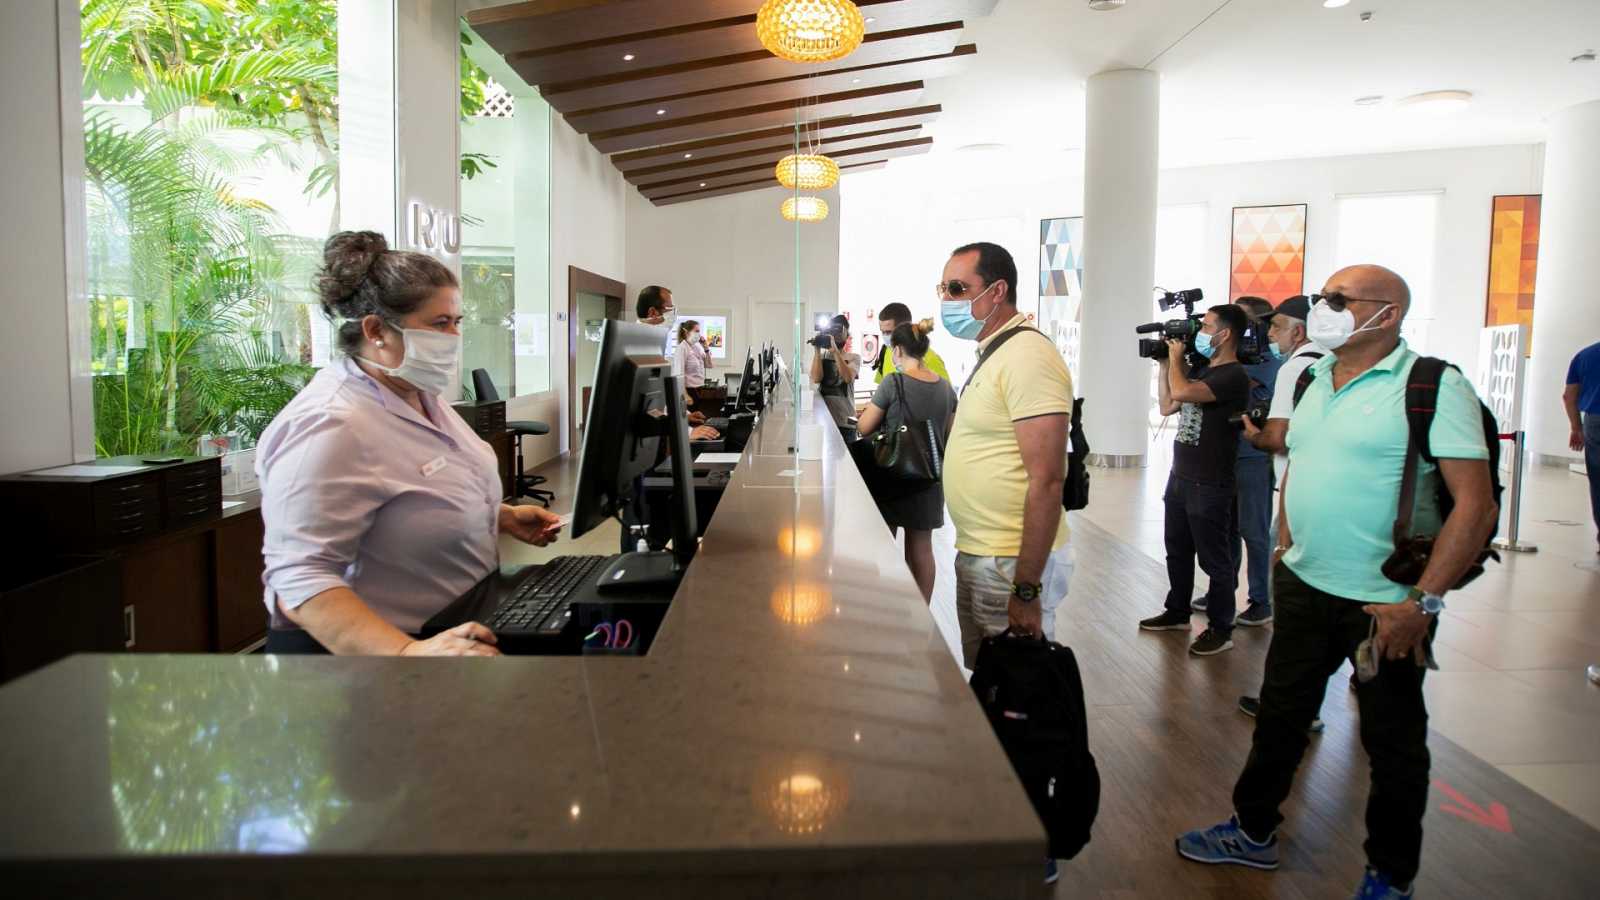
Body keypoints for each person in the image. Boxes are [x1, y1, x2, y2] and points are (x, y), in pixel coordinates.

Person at [1176, 265, 1498, 900]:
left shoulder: (1431, 385)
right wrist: (1286, 538)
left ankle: (1390, 874)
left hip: (1386, 603)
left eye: (1337, 300)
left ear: (1388, 312)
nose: (1323, 308)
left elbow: (1477, 505)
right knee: (1281, 718)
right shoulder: (1320, 377)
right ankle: (1253, 830)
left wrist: (1421, 601)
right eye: (1323, 298)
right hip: (1306, 585)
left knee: (1393, 742)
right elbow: (1301, 456)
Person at [257, 231, 564, 656]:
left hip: (453, 626)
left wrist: (499, 515)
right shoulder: (328, 425)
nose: (454, 337)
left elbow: (410, 493)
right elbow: (301, 577)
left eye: (457, 322)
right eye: (439, 324)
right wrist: (406, 654)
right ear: (376, 330)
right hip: (373, 660)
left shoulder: (421, 396)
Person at [938, 241, 1074, 885]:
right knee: (994, 688)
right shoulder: (994, 352)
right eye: (944, 288)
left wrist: (1027, 585)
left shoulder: (1030, 356)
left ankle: (1029, 841)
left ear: (997, 292)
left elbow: (1047, 479)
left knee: (1021, 702)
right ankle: (995, 813)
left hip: (1008, 561)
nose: (948, 301)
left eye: (958, 289)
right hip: (982, 551)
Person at [1139, 304, 1252, 656]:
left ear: (1226, 333)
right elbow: (1168, 405)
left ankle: (1221, 626)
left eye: (1205, 326)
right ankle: (1178, 611)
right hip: (1181, 476)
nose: (1198, 332)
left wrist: (1175, 359)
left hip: (1211, 482)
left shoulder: (1233, 375)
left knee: (1215, 561)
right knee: (1177, 549)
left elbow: (1184, 393)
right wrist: (1163, 363)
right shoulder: (1202, 369)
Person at [1237, 295, 1328, 726]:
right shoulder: (1332, 365)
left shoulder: (1297, 367)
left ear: (1300, 331)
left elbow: (1279, 437)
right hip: (1327, 496)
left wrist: (1252, 433)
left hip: (1299, 497)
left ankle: (1292, 707)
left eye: (1276, 328)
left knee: (1290, 600)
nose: (1269, 335)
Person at [856, 319, 958, 602]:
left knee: (884, 544)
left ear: (897, 350)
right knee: (921, 549)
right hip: (929, 478)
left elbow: (863, 428)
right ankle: (921, 612)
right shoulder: (946, 389)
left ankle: (886, 604)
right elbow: (951, 434)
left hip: (893, 474)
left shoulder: (893, 382)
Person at [1195, 296, 1281, 628]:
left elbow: (1228, 383)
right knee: (1226, 528)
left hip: (1252, 457)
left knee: (1253, 529)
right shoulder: (1223, 361)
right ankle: (1224, 591)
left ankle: (1261, 600)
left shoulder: (1266, 363)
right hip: (1225, 455)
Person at [1565, 339, 1600, 554]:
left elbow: (1569, 396)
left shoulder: (1584, 355)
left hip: (1595, 422)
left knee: (1598, 480)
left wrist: (1576, 427)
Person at [874, 302, 950, 384]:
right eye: (883, 332)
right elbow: (882, 388)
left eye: (889, 332)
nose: (885, 337)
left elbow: (946, 394)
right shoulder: (887, 351)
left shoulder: (930, 359)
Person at [810, 314, 861, 426]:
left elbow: (848, 378)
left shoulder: (854, 357)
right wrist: (817, 351)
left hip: (845, 421)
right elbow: (816, 378)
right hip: (824, 418)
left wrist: (835, 352)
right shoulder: (823, 356)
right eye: (833, 330)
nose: (836, 334)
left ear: (847, 335)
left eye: (840, 330)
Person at [673, 319, 714, 389]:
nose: (699, 334)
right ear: (687, 332)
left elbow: (709, 365)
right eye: (696, 331)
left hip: (700, 387)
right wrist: (684, 395)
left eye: (699, 331)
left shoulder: (697, 347)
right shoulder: (682, 348)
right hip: (689, 390)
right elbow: (679, 374)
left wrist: (706, 348)